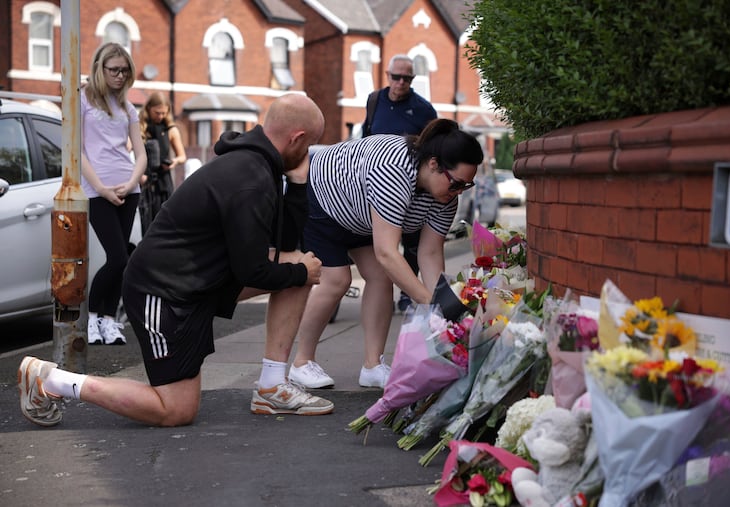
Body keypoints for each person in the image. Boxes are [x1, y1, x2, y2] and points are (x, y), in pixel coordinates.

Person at [18, 93, 331, 428]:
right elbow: (252, 270)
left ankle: (271, 386)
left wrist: (298, 185)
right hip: (162, 293)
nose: (307, 155)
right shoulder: (250, 178)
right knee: (176, 410)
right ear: (296, 138)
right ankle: (50, 380)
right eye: (309, 146)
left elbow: (281, 246)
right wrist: (297, 270)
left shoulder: (259, 167)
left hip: (198, 282)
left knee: (300, 265)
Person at [288, 118, 483, 390]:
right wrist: (428, 303)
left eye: (466, 186)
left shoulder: (445, 195)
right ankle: (301, 363)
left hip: (362, 214)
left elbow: (429, 253)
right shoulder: (394, 171)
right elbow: (386, 252)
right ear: (434, 164)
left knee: (381, 278)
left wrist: (445, 306)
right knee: (337, 280)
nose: (458, 193)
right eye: (456, 184)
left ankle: (372, 366)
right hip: (322, 197)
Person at [81, 42, 147, 346]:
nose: (120, 76)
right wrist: (102, 189)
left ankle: (109, 321)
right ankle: (92, 318)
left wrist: (132, 180)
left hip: (127, 188)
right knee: (117, 256)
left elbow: (141, 155)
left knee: (123, 260)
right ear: (99, 68)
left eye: (125, 71)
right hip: (98, 191)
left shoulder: (128, 107)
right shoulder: (81, 100)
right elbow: (78, 153)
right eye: (114, 70)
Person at [361, 54, 438, 315]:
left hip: (411, 187)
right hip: (377, 185)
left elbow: (433, 149)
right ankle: (382, 289)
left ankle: (407, 294)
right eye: (396, 77)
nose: (401, 83)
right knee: (381, 243)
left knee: (413, 244)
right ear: (387, 75)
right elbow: (365, 138)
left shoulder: (423, 109)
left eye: (407, 78)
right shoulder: (374, 101)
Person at [138, 92, 187, 234]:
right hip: (144, 182)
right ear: (148, 109)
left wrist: (173, 162)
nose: (160, 116)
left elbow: (182, 156)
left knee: (166, 223)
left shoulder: (171, 130)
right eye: (157, 112)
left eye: (163, 113)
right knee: (146, 226)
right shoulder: (140, 128)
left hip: (164, 182)